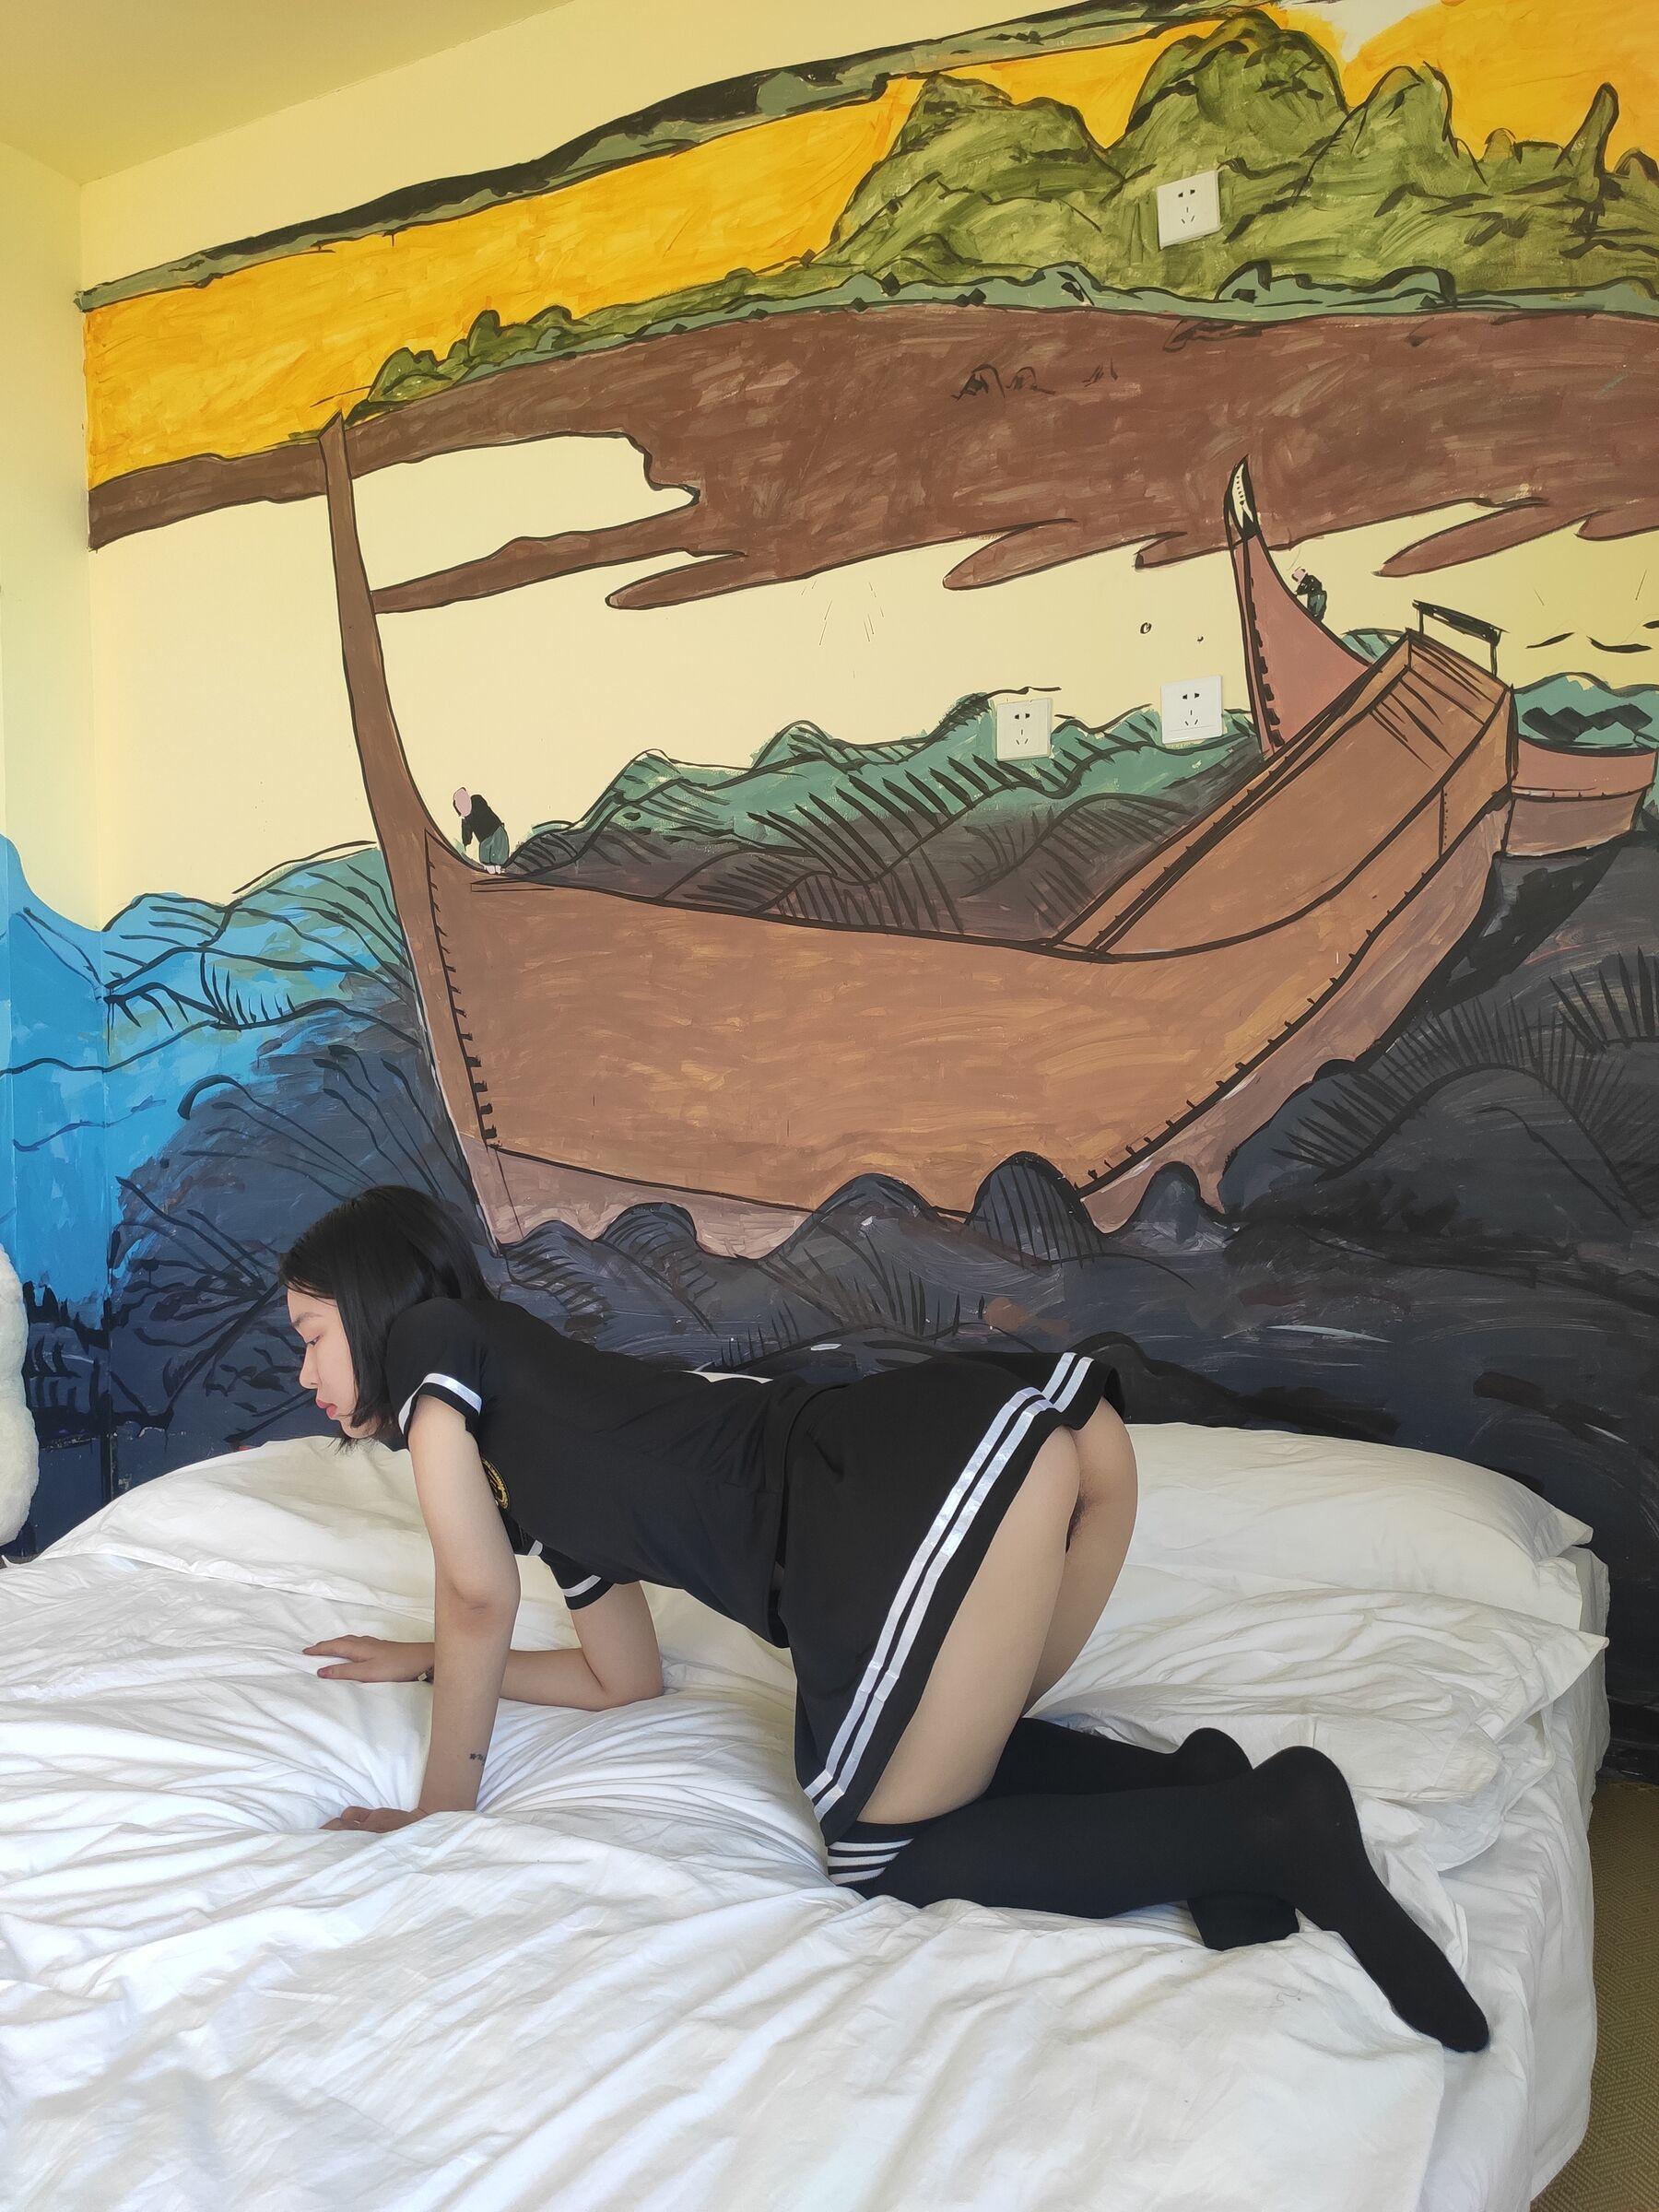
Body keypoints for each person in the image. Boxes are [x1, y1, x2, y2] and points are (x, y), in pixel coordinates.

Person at [284, 1185, 1488, 2053]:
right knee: (931, 1763)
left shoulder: (441, 1343)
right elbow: (620, 1681)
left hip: (878, 1502)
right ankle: (1192, 1787)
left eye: (312, 1338)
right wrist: (425, 1662)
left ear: (381, 1310)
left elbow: (474, 1594)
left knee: (881, 1853)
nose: (305, 1378)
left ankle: (1270, 1827)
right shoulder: (544, 1457)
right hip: (1004, 1448)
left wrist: (436, 1812)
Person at [452, 785, 510, 870]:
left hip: (497, 831)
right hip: (485, 841)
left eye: (464, 798)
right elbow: (467, 839)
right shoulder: (466, 821)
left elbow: (482, 811)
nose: (463, 803)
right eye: (459, 803)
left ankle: (498, 868)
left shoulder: (477, 800)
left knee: (499, 861)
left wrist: (467, 814)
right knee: (486, 861)